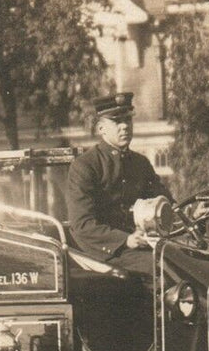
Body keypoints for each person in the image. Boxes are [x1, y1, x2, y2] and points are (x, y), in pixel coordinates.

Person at [64, 92, 174, 282]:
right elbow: (82, 225)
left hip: (140, 245)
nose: (124, 126)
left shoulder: (140, 163)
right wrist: (125, 240)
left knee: (185, 259)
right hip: (103, 252)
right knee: (161, 267)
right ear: (101, 128)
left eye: (128, 120)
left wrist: (191, 212)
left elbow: (165, 203)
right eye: (117, 122)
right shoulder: (85, 166)